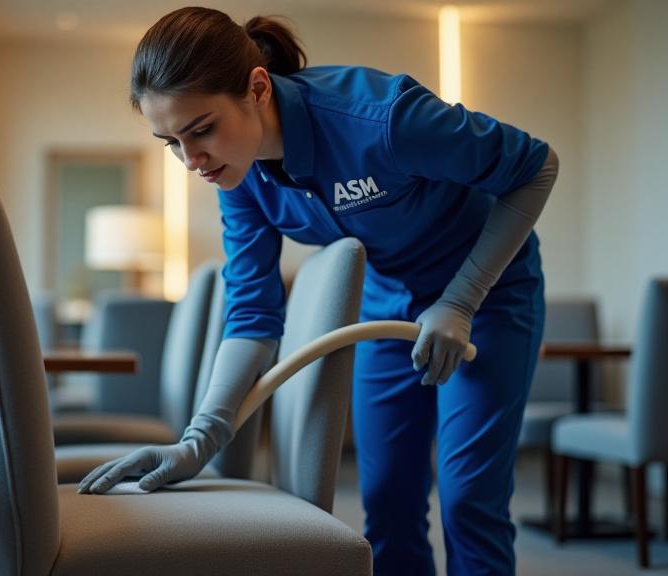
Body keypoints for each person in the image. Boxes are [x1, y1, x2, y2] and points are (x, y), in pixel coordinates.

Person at [77, 7, 558, 575]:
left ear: (257, 88)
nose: (191, 161)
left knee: (469, 499)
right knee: (387, 504)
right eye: (170, 143)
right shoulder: (240, 172)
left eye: (201, 130)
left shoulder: (382, 120)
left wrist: (462, 299)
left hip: (490, 295)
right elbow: (253, 313)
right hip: (387, 303)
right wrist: (198, 440)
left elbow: (535, 167)